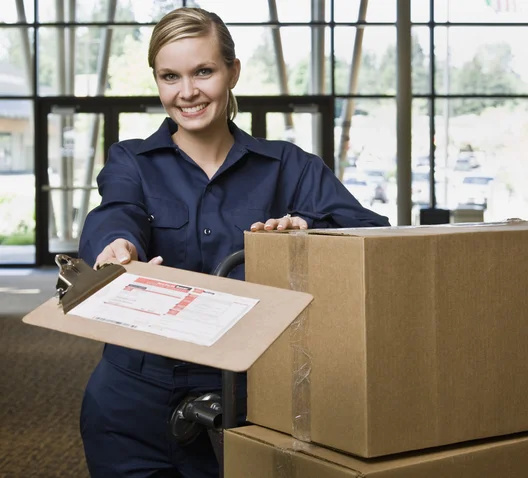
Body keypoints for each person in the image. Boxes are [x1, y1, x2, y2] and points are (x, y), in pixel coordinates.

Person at [77, 6, 390, 478]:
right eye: (170, 76)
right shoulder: (131, 161)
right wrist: (115, 247)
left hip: (250, 396)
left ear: (233, 72)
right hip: (133, 399)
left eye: (203, 71)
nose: (187, 92)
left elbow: (371, 232)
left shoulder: (290, 166)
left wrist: (309, 231)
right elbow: (117, 211)